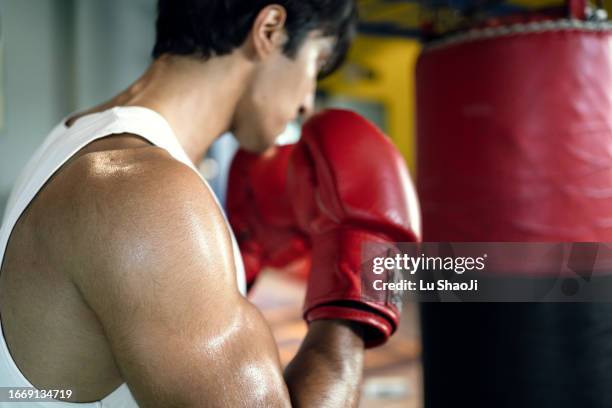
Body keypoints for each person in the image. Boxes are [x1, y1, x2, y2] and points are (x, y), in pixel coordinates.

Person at [0, 1, 419, 406]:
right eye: (317, 63)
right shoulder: (146, 194)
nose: (308, 100)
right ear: (269, 30)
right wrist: (354, 295)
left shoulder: (78, 134)